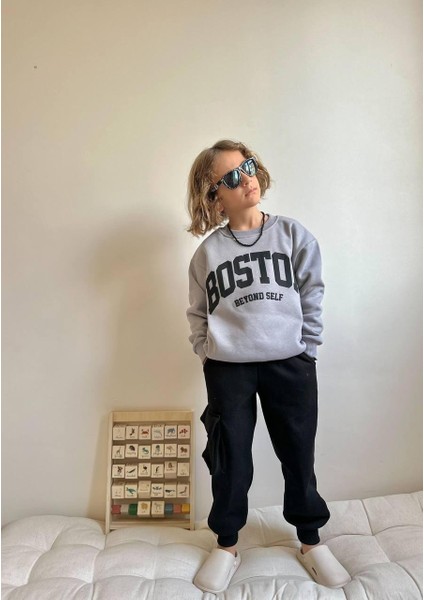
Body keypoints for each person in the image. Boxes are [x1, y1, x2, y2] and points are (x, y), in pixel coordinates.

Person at [186, 139, 351, 593]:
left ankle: (310, 540)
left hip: (290, 363)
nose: (246, 179)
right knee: (230, 458)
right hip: (229, 369)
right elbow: (197, 312)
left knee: (298, 453)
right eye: (231, 177)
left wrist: (308, 346)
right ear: (214, 194)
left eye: (249, 167)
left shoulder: (293, 234)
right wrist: (206, 351)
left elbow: (312, 291)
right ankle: (226, 544)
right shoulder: (207, 254)